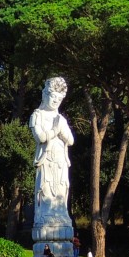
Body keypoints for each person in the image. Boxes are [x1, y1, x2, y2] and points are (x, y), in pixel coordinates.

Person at [30, 77, 74, 228]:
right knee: (46, 187)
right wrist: (56, 130)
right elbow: (40, 137)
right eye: (53, 96)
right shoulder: (37, 115)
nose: (55, 100)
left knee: (61, 187)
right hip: (46, 159)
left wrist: (61, 129)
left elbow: (71, 140)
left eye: (59, 98)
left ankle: (61, 216)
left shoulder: (61, 118)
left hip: (60, 160)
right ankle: (44, 217)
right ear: (45, 95)